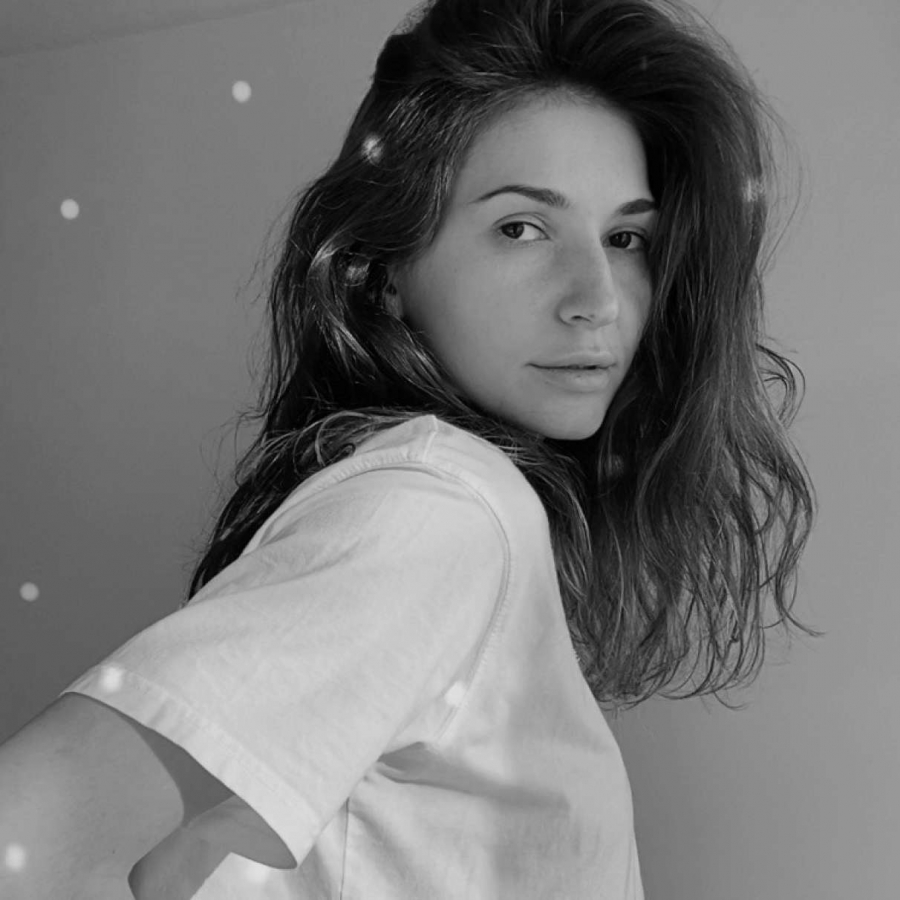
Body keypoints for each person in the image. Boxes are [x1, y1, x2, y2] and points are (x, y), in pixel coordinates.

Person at [0, 0, 818, 897]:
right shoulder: (438, 509)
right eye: (521, 227)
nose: (598, 298)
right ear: (386, 271)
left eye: (626, 239)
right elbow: (28, 838)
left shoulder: (448, 511)